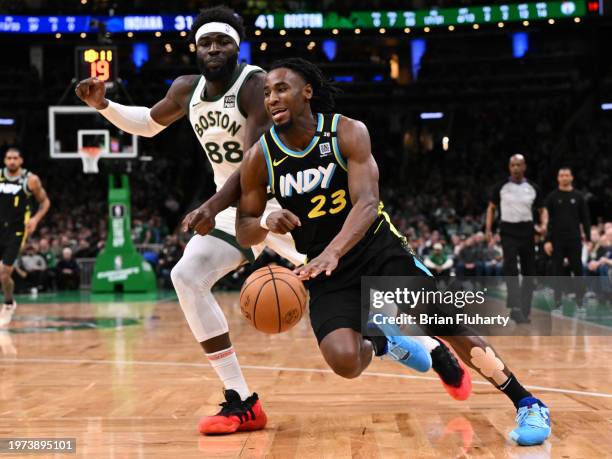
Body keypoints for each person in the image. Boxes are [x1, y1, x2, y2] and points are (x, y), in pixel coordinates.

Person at [235, 58, 550, 446]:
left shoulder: (346, 132)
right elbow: (243, 226)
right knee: (344, 361)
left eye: (281, 88)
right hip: (325, 269)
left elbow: (367, 204)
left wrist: (333, 251)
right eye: (266, 92)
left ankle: (527, 402)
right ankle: (385, 340)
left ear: (307, 92)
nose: (271, 98)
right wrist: (267, 221)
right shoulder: (259, 158)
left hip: (378, 249)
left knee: (447, 326)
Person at [76, 6, 317, 435]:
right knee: (186, 275)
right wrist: (104, 105)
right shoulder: (187, 89)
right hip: (236, 208)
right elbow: (149, 124)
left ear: (237, 47)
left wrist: (209, 204)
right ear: (195, 48)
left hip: (286, 200)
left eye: (222, 41)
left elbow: (252, 162)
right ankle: (242, 400)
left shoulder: (255, 85)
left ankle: (432, 343)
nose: (213, 49)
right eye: (206, 42)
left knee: (359, 284)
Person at [485, 155, 548, 323]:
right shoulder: (501, 187)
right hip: (508, 231)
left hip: (528, 231)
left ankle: (524, 309)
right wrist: (488, 229)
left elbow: (543, 209)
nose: (516, 168)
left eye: (519, 165)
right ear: (509, 167)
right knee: (510, 268)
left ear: (524, 167)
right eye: (513, 165)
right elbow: (491, 208)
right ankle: (515, 307)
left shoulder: (533, 187)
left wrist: (544, 225)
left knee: (529, 272)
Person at [0, 147, 50, 327]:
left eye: (15, 158)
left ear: (21, 160)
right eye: (8, 158)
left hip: (17, 231)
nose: (11, 161)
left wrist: (35, 219)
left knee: (4, 273)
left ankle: (8, 303)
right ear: (5, 160)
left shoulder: (31, 180)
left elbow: (45, 202)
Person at [543, 167, 591, 310]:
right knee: (557, 271)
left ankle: (580, 302)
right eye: (561, 175)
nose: (564, 177)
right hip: (556, 240)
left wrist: (588, 238)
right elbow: (547, 220)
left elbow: (586, 218)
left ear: (571, 177)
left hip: (574, 239)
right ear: (558, 178)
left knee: (577, 270)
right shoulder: (552, 197)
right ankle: (557, 303)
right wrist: (547, 240)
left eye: (566, 175)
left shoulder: (578, 196)